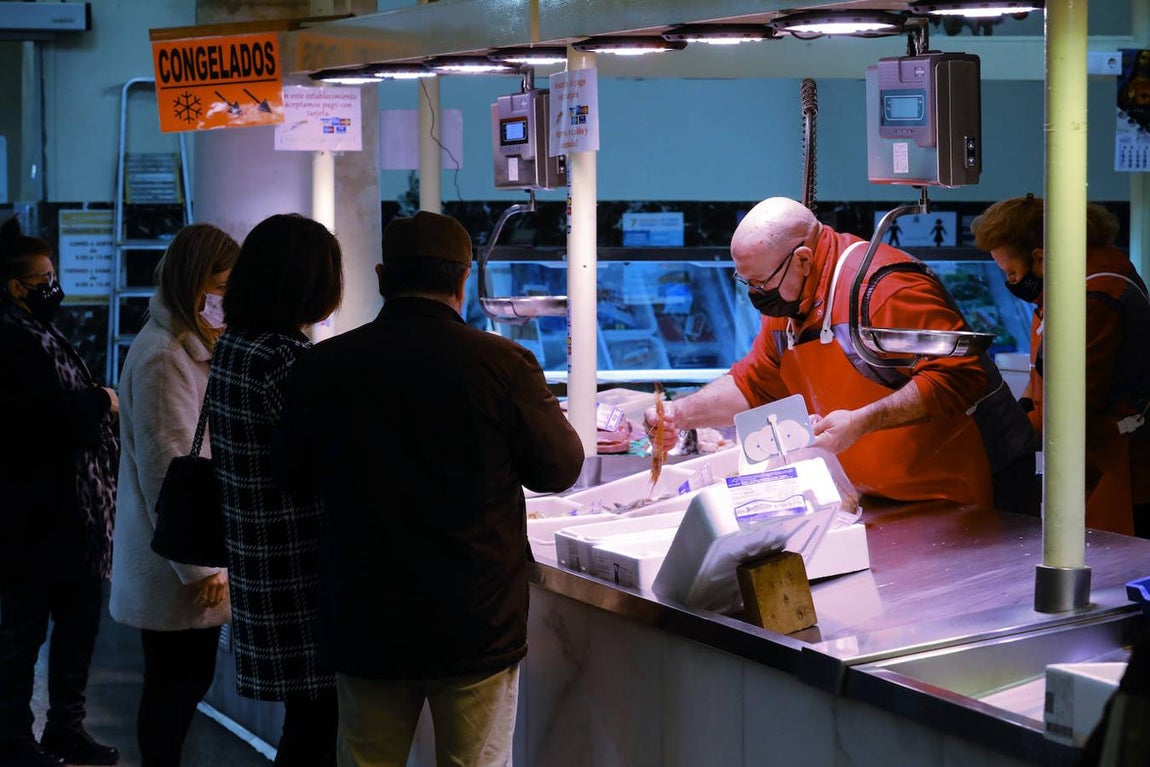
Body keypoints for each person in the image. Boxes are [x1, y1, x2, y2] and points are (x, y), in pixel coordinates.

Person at [272, 210, 585, 767]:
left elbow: (292, 480)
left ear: (381, 276)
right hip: (475, 622)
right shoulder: (504, 364)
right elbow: (558, 470)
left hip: (366, 620)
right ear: (463, 278)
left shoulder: (323, 366)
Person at [645, 196, 1037, 513]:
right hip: (887, 499)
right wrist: (679, 415)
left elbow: (960, 376)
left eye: (761, 282)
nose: (755, 295)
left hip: (976, 492)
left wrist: (862, 422)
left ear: (803, 259)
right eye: (746, 282)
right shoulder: (788, 301)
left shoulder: (884, 289)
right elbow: (756, 385)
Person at [206, 213, 343, 766]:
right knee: (316, 728)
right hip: (300, 566)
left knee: (306, 724)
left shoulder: (235, 346)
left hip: (259, 557)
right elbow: (325, 461)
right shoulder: (286, 359)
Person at [109, 223, 238, 766]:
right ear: (193, 283)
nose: (226, 300)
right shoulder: (165, 355)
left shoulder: (185, 347)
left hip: (180, 553)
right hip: (176, 560)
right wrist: (200, 567)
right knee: (173, 686)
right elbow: (168, 466)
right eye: (221, 287)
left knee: (181, 683)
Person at [0, 216, 120, 767]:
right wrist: (100, 402)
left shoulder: (41, 332)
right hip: (38, 517)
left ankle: (65, 728)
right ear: (15, 286)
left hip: (77, 515)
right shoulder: (12, 339)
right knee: (23, 633)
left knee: (77, 627)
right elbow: (42, 421)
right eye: (43, 279)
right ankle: (13, 737)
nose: (54, 287)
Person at [972, 195, 1150, 537]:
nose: (1011, 282)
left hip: (1125, 473)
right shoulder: (1066, 281)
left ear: (1040, 258)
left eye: (1011, 272)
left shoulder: (1091, 300)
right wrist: (1018, 414)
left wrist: (997, 440)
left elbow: (1067, 413)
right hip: (1097, 465)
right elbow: (1040, 376)